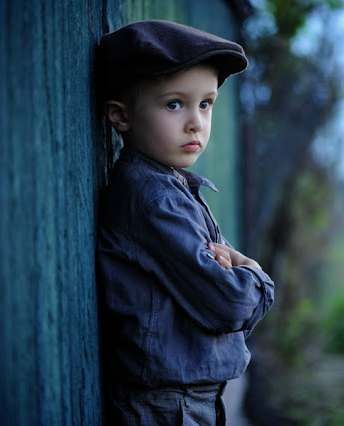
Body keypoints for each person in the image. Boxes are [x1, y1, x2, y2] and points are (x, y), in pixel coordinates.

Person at [95, 20, 275, 425]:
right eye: (175, 104)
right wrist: (256, 274)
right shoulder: (154, 201)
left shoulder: (171, 187)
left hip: (184, 398)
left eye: (206, 103)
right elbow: (228, 301)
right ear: (120, 116)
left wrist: (236, 269)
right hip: (167, 405)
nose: (196, 122)